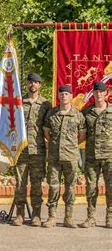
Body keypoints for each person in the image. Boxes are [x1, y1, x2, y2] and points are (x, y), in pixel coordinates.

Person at [43, 85, 86, 228]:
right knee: (54, 187)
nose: (63, 96)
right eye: (61, 94)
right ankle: (52, 217)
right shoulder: (51, 113)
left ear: (71, 96)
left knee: (70, 188)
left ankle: (69, 217)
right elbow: (47, 133)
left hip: (71, 157)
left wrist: (71, 144)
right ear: (59, 96)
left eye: (66, 94)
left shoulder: (78, 115)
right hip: (55, 156)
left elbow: (82, 136)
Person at [12, 73, 51, 226]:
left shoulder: (45, 105)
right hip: (21, 149)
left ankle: (36, 215)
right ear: (27, 84)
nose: (33, 85)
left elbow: (48, 127)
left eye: (36, 82)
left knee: (36, 184)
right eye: (30, 82)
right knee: (20, 184)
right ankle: (20, 214)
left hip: (38, 150)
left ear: (40, 85)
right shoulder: (19, 102)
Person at [79, 81, 111, 229]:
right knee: (91, 188)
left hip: (109, 156)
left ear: (106, 93)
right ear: (94, 93)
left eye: (101, 92)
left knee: (111, 187)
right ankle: (90, 217)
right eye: (96, 92)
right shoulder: (86, 112)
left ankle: (109, 218)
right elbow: (81, 134)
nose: (99, 94)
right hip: (91, 156)